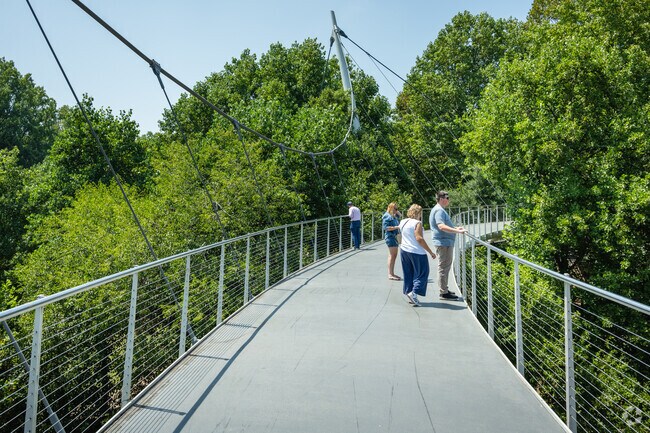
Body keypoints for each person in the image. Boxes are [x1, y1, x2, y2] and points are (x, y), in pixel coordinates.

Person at [429, 191, 466, 300]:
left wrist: (455, 229)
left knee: (445, 266)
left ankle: (444, 288)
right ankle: (443, 292)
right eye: (447, 197)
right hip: (443, 243)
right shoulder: (439, 211)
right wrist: (457, 231)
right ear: (441, 198)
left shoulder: (439, 210)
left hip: (445, 242)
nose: (448, 200)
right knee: (444, 267)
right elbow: (441, 226)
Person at [398, 204, 436, 306]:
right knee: (423, 273)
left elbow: (400, 235)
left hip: (404, 250)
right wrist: (430, 252)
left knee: (408, 273)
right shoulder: (417, 223)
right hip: (416, 252)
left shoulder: (403, 221)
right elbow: (419, 238)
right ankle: (414, 293)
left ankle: (409, 292)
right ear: (419, 213)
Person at [382, 202, 402, 280]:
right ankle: (390, 274)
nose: (396, 210)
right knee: (392, 255)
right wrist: (396, 227)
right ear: (391, 208)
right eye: (395, 208)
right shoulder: (387, 216)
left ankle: (392, 273)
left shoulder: (393, 216)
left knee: (394, 255)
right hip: (390, 237)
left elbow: (400, 217)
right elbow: (386, 227)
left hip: (394, 237)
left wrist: (397, 212)